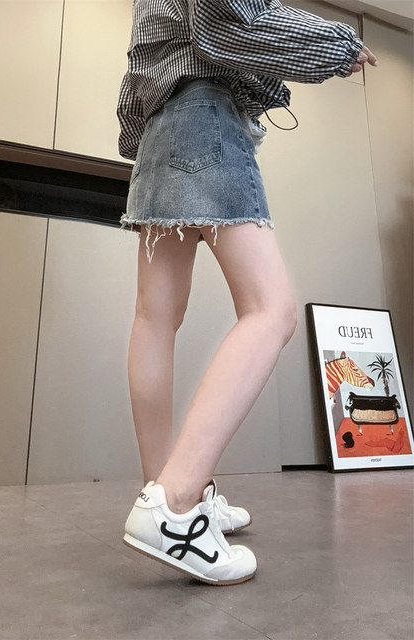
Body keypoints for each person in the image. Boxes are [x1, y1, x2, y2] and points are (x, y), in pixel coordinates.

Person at [117, 0, 377, 586]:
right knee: (271, 310)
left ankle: (160, 491)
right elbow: (235, 23)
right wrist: (338, 46)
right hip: (204, 119)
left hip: (160, 130)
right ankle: (175, 504)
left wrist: (149, 134)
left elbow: (141, 70)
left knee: (155, 317)